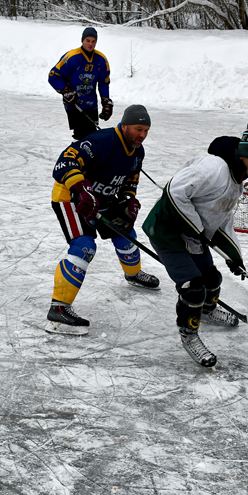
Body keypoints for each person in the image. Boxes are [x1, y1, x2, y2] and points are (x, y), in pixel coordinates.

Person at [142, 119, 248, 367]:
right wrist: (197, 228)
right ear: (243, 155)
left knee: (212, 279)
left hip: (192, 235)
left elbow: (222, 219)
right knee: (193, 288)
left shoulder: (237, 181)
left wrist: (235, 255)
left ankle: (207, 310)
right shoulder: (213, 168)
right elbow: (175, 191)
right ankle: (189, 335)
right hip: (167, 232)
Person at [46, 104, 159, 336]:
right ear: (124, 126)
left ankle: (133, 274)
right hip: (72, 198)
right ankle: (59, 308)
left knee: (125, 234)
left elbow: (131, 177)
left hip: (103, 198)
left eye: (146, 131)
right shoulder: (101, 141)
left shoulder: (137, 151)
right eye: (138, 129)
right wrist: (81, 187)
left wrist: (128, 198)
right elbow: (64, 162)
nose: (142, 135)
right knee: (84, 246)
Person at [48, 27, 113, 141]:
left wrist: (106, 101)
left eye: (93, 41)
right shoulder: (72, 57)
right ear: (82, 40)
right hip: (75, 104)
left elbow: (103, 83)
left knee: (91, 138)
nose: (90, 44)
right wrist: (65, 90)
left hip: (91, 104)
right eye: (87, 40)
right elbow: (53, 76)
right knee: (82, 137)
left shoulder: (101, 60)